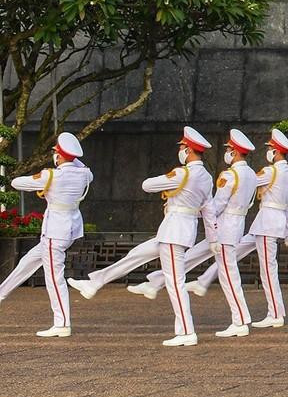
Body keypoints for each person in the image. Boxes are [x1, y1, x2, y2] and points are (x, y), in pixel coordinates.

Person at [67, 126, 212, 346]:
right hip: (175, 231)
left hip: (175, 233)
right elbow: (208, 208)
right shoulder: (207, 177)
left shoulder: (182, 174)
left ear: (188, 150)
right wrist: (213, 236)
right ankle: (94, 283)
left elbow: (147, 185)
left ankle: (186, 332)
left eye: (182, 147)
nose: (180, 151)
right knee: (135, 255)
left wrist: (169, 182)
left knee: (175, 283)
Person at [0, 132, 91, 338]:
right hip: (70, 228)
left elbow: (17, 183)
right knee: (26, 263)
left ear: (59, 155)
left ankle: (62, 323)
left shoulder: (51, 176)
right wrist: (70, 159)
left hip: (55, 232)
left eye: (55, 153)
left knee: (54, 279)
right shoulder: (85, 174)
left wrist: (42, 175)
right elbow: (79, 165)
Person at [201, 129, 259, 339]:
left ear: (234, 152)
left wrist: (197, 211)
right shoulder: (251, 174)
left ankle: (239, 320)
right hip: (238, 224)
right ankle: (240, 319)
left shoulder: (230, 175)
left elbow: (217, 205)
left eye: (228, 149)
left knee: (228, 275)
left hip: (225, 226)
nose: (226, 153)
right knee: (228, 272)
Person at [247, 128, 288, 328]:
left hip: (267, 223)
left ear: (275, 151)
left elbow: (248, 182)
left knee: (268, 270)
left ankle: (275, 313)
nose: (268, 152)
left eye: (269, 149)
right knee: (236, 250)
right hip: (274, 223)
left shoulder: (270, 171)